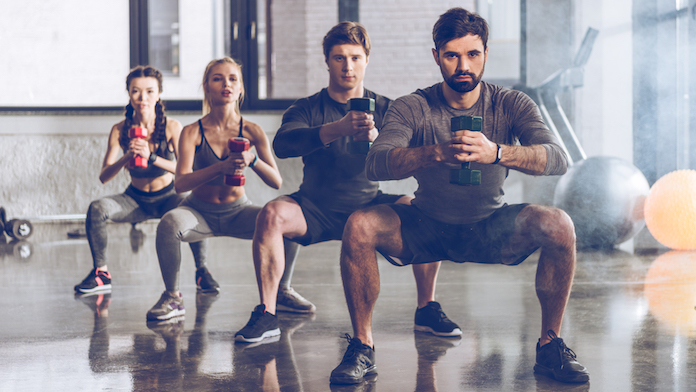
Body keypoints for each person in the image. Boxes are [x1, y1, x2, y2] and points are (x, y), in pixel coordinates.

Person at [329, 8, 590, 385]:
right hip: (426, 224)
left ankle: (550, 345)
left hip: (490, 226)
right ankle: (362, 347)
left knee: (559, 225)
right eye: (452, 55)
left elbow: (558, 159)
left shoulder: (511, 104)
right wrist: (434, 152)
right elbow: (376, 164)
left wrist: (497, 152)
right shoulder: (413, 106)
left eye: (473, 54)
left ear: (485, 53)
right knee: (360, 225)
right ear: (436, 56)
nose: (463, 65)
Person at [234, 21, 460, 343]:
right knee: (271, 214)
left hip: (368, 205)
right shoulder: (308, 107)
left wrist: (380, 141)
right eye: (339, 57)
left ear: (367, 59)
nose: (347, 66)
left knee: (428, 208)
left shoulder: (387, 108)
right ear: (327, 61)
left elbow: (411, 157)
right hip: (315, 207)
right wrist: (337, 128)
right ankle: (267, 315)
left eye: (355, 57)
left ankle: (427, 307)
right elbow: (283, 145)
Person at [145, 57, 303, 321]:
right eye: (217, 78)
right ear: (206, 87)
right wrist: (221, 167)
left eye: (233, 79)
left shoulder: (253, 130)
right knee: (168, 224)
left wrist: (252, 161)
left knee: (288, 221)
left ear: (241, 88)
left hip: (237, 211)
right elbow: (181, 182)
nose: (226, 84)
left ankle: (282, 291)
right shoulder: (192, 132)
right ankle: (172, 297)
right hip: (199, 213)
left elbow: (276, 181)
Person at [74, 66, 211, 296]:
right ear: (129, 93)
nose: (142, 98)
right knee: (97, 209)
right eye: (136, 91)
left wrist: (152, 157)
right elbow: (104, 176)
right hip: (135, 200)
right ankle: (101, 274)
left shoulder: (171, 127)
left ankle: (202, 271)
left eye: (149, 91)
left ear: (159, 94)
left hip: (169, 197)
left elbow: (185, 171)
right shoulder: (120, 129)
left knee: (194, 205)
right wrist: (126, 157)